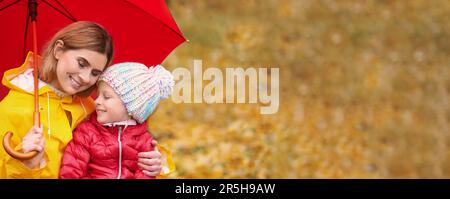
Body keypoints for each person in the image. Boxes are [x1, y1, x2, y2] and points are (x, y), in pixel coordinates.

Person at [0, 21, 169, 178]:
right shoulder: (11, 109)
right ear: (59, 50)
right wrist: (26, 165)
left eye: (95, 73)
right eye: (81, 64)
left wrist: (156, 162)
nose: (86, 78)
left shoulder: (89, 107)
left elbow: (123, 144)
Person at [60, 63, 173, 179]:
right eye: (98, 95)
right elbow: (71, 171)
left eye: (106, 96)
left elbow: (145, 175)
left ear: (131, 107)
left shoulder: (143, 141)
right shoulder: (86, 133)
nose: (96, 101)